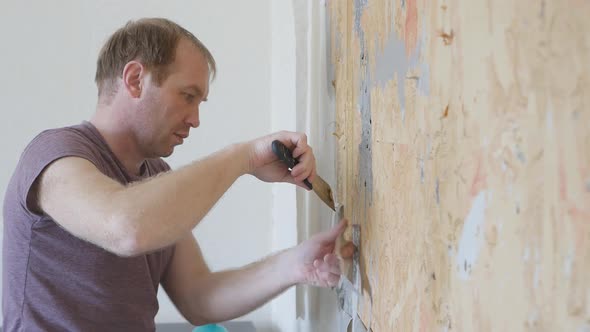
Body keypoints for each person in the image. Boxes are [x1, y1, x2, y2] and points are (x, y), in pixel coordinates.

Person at [2, 18, 353, 331]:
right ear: (135, 79)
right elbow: (126, 228)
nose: (195, 119)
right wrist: (243, 157)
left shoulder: (156, 176)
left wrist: (295, 265)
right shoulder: (53, 155)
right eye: (187, 96)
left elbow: (200, 298)